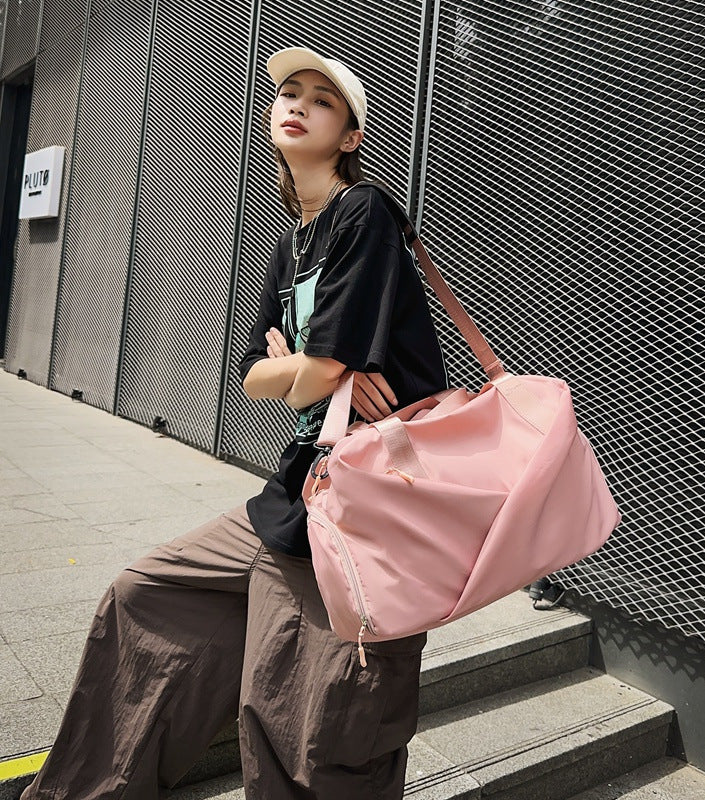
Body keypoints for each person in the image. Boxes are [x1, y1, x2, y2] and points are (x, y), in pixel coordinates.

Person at [19, 46, 449, 799]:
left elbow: (310, 372)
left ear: (349, 136)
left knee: (299, 717)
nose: (298, 103)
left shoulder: (365, 212)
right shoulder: (290, 246)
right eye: (289, 91)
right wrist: (308, 370)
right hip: (301, 486)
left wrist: (308, 368)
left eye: (322, 100)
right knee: (142, 595)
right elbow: (256, 374)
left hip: (365, 501)